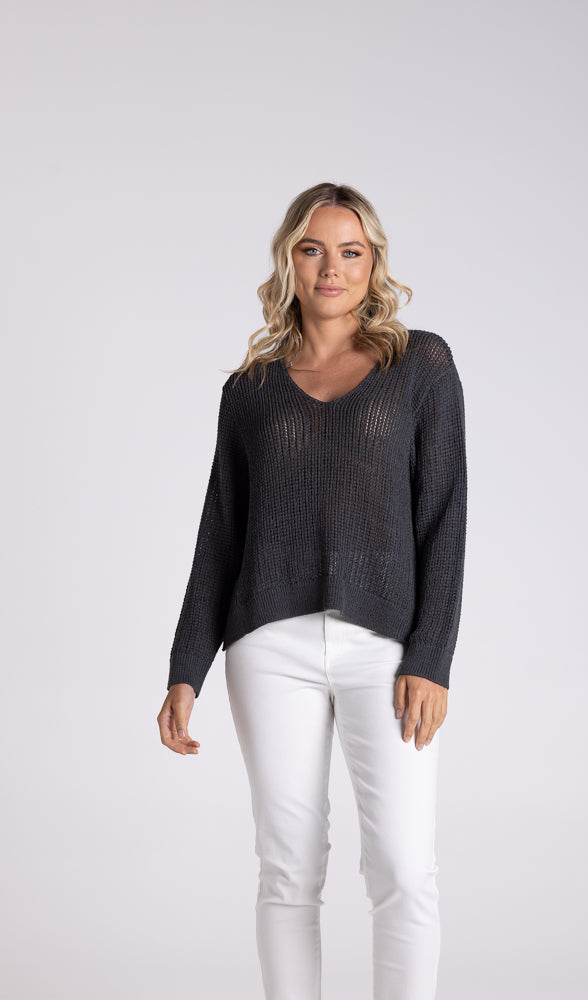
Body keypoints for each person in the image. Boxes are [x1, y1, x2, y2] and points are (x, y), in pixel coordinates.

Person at [157, 181, 468, 1000]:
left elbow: (444, 516)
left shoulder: (421, 365)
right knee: (287, 869)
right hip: (267, 647)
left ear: (373, 264)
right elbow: (220, 532)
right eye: (312, 249)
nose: (331, 267)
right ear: (288, 261)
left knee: (403, 866)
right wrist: (185, 670)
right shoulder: (250, 389)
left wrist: (430, 657)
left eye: (350, 251)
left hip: (386, 650)